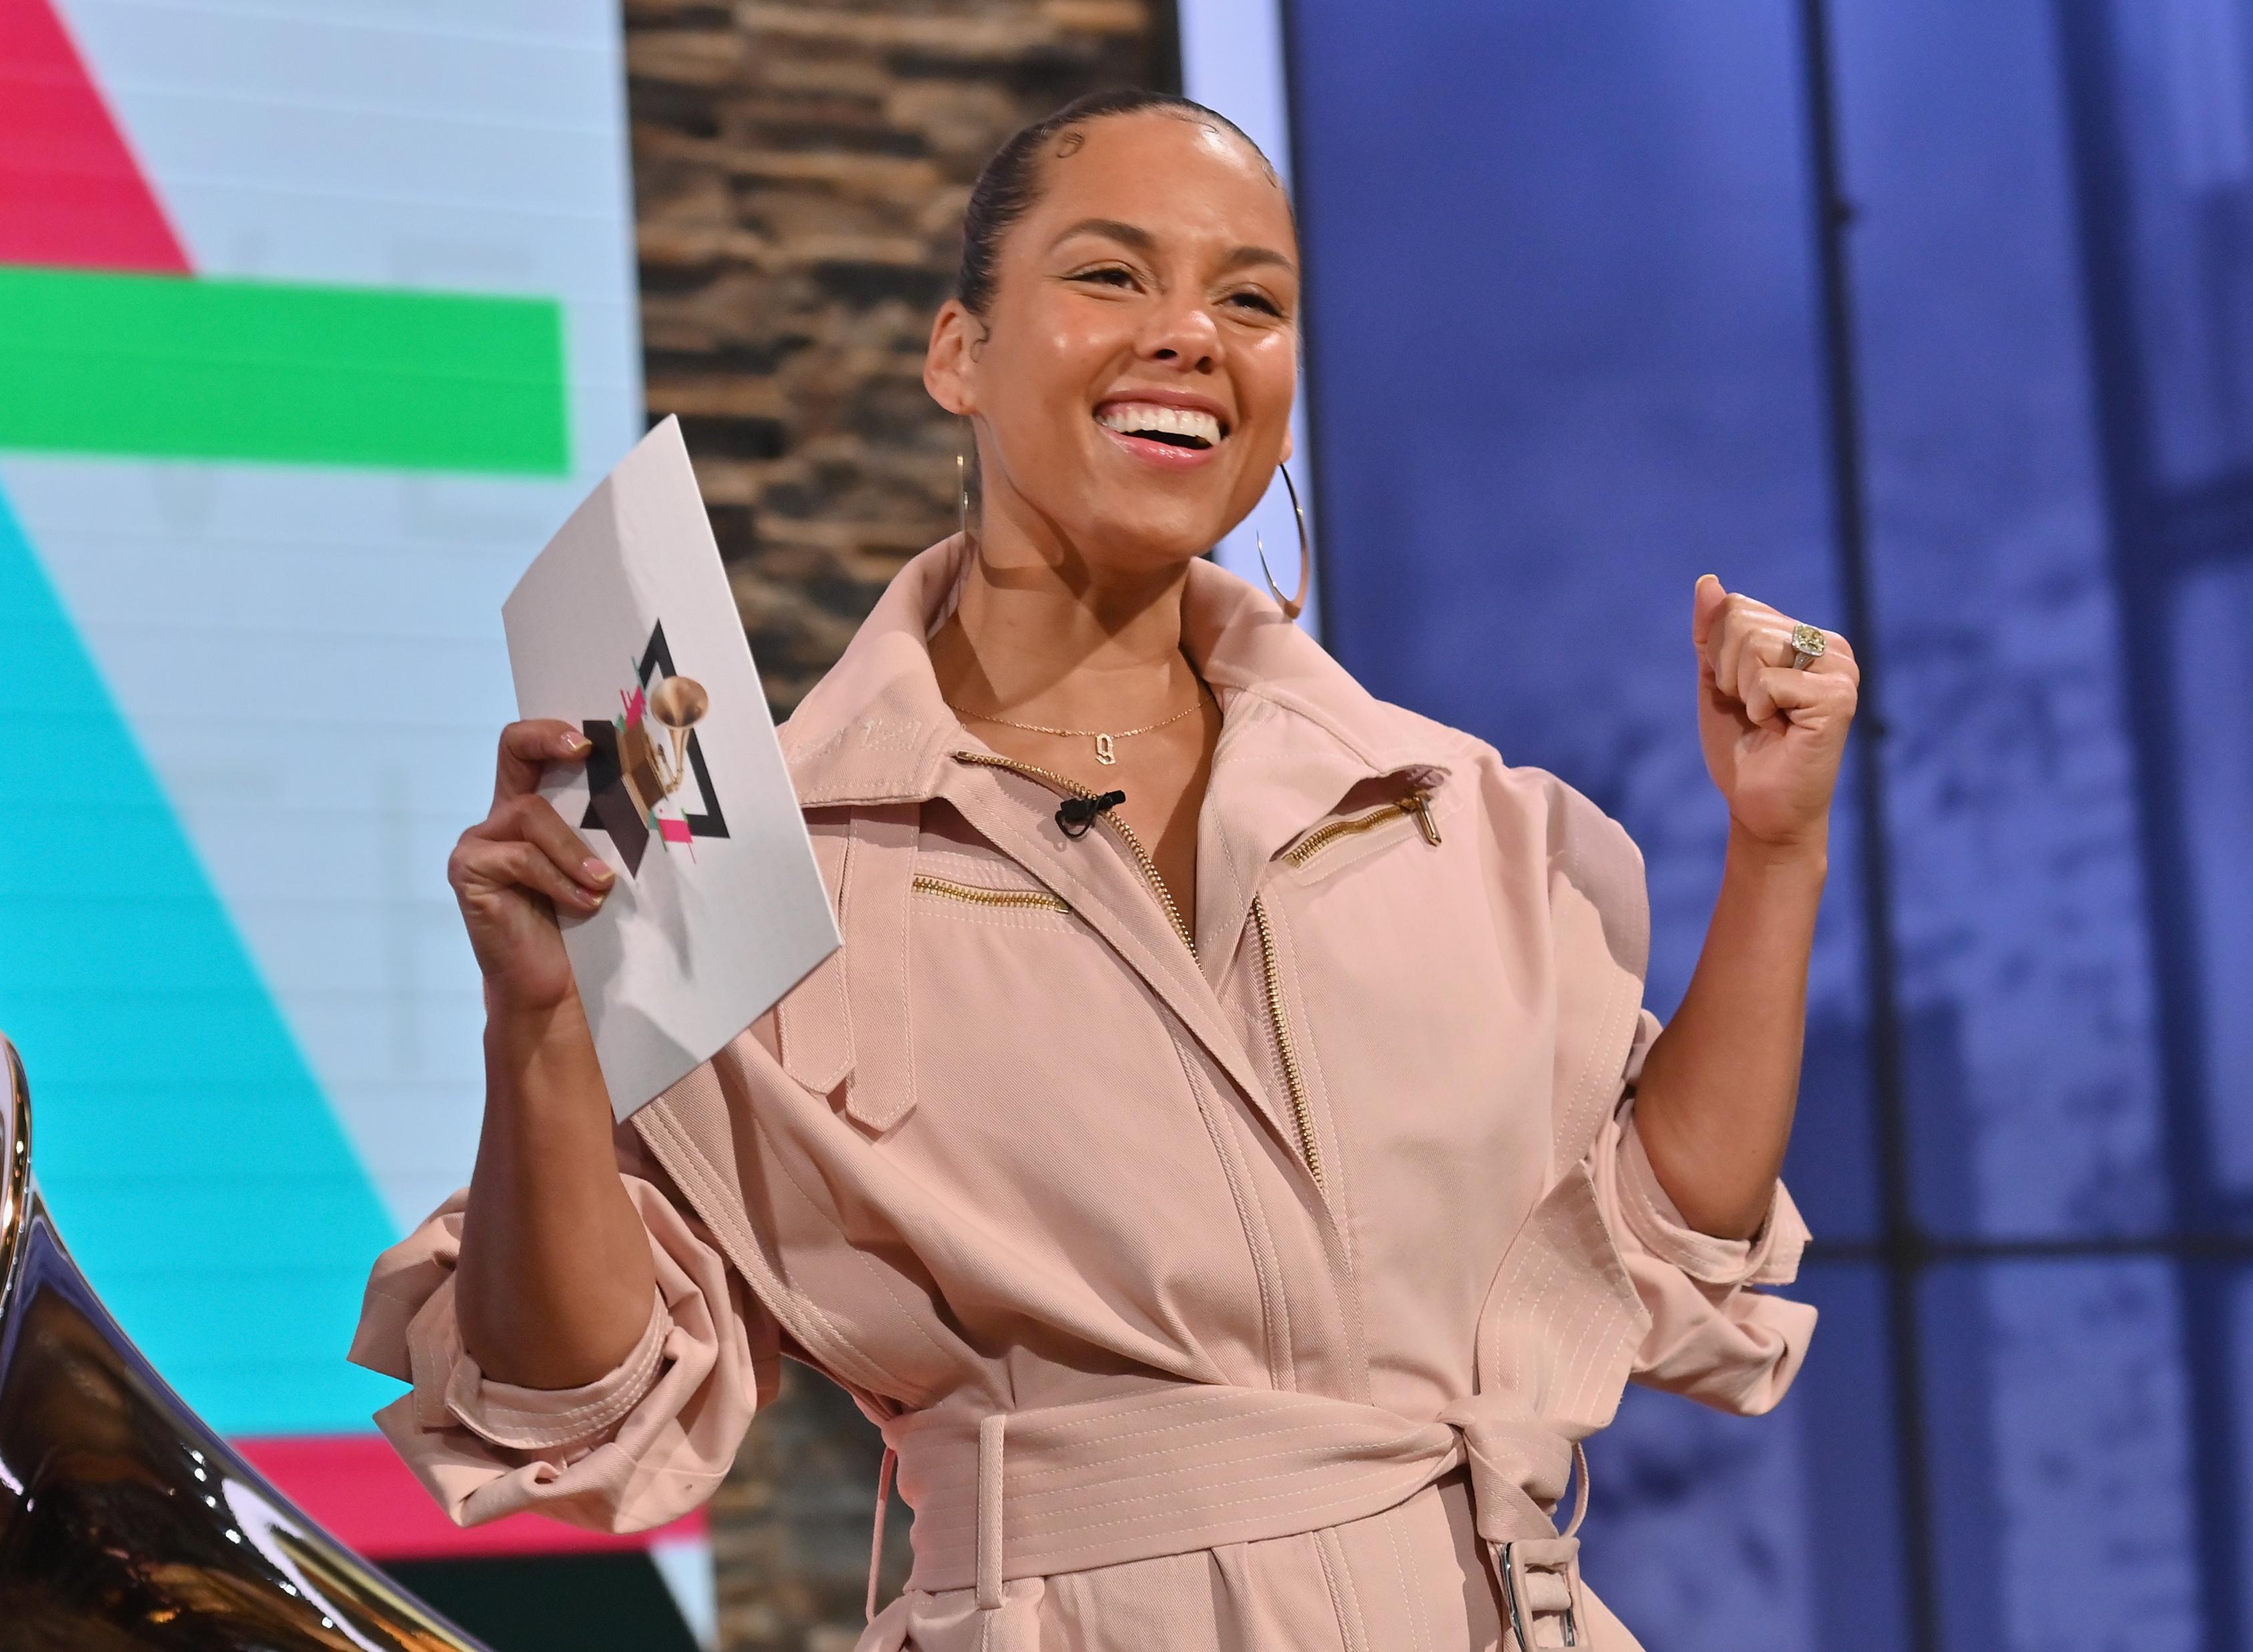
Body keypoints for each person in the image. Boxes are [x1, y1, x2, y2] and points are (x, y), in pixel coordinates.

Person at [350, 87, 1855, 1651]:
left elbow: (1660, 1240)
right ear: (959, 355)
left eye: (1250, 299)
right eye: (1113, 275)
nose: (1190, 333)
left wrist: (1777, 846)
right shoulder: (760, 853)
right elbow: (572, 1392)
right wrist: (539, 1021)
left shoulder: (1450, 809)